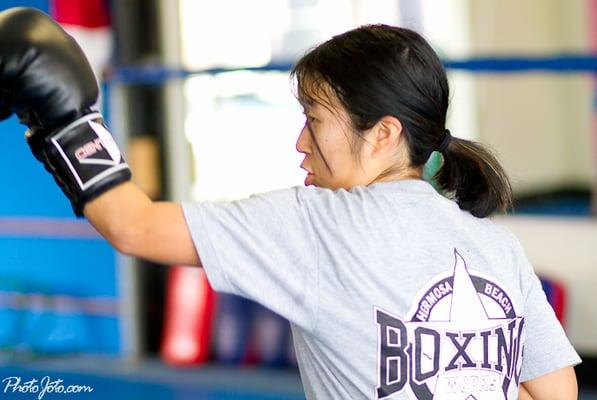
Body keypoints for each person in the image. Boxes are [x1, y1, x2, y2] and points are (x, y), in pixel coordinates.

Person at [0, 7, 580, 400]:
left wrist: (69, 119)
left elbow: (134, 227)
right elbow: (555, 392)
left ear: (382, 133)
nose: (301, 143)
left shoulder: (320, 227)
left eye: (315, 120)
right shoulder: (495, 245)